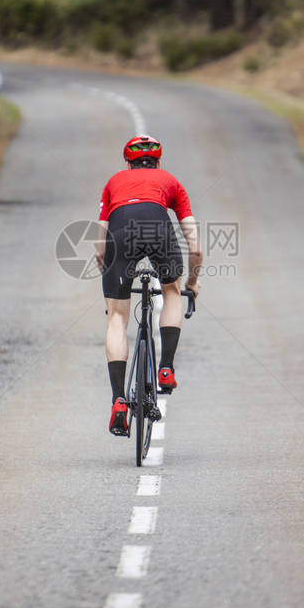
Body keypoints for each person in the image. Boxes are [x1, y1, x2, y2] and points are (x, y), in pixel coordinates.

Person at [96, 134, 202, 436]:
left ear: (128, 162)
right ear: (158, 161)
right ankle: (165, 368)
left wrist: (112, 282)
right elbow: (195, 248)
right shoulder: (171, 181)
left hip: (119, 237)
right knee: (171, 290)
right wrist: (192, 284)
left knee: (117, 317)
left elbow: (100, 247)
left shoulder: (113, 182)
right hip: (158, 230)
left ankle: (119, 399)